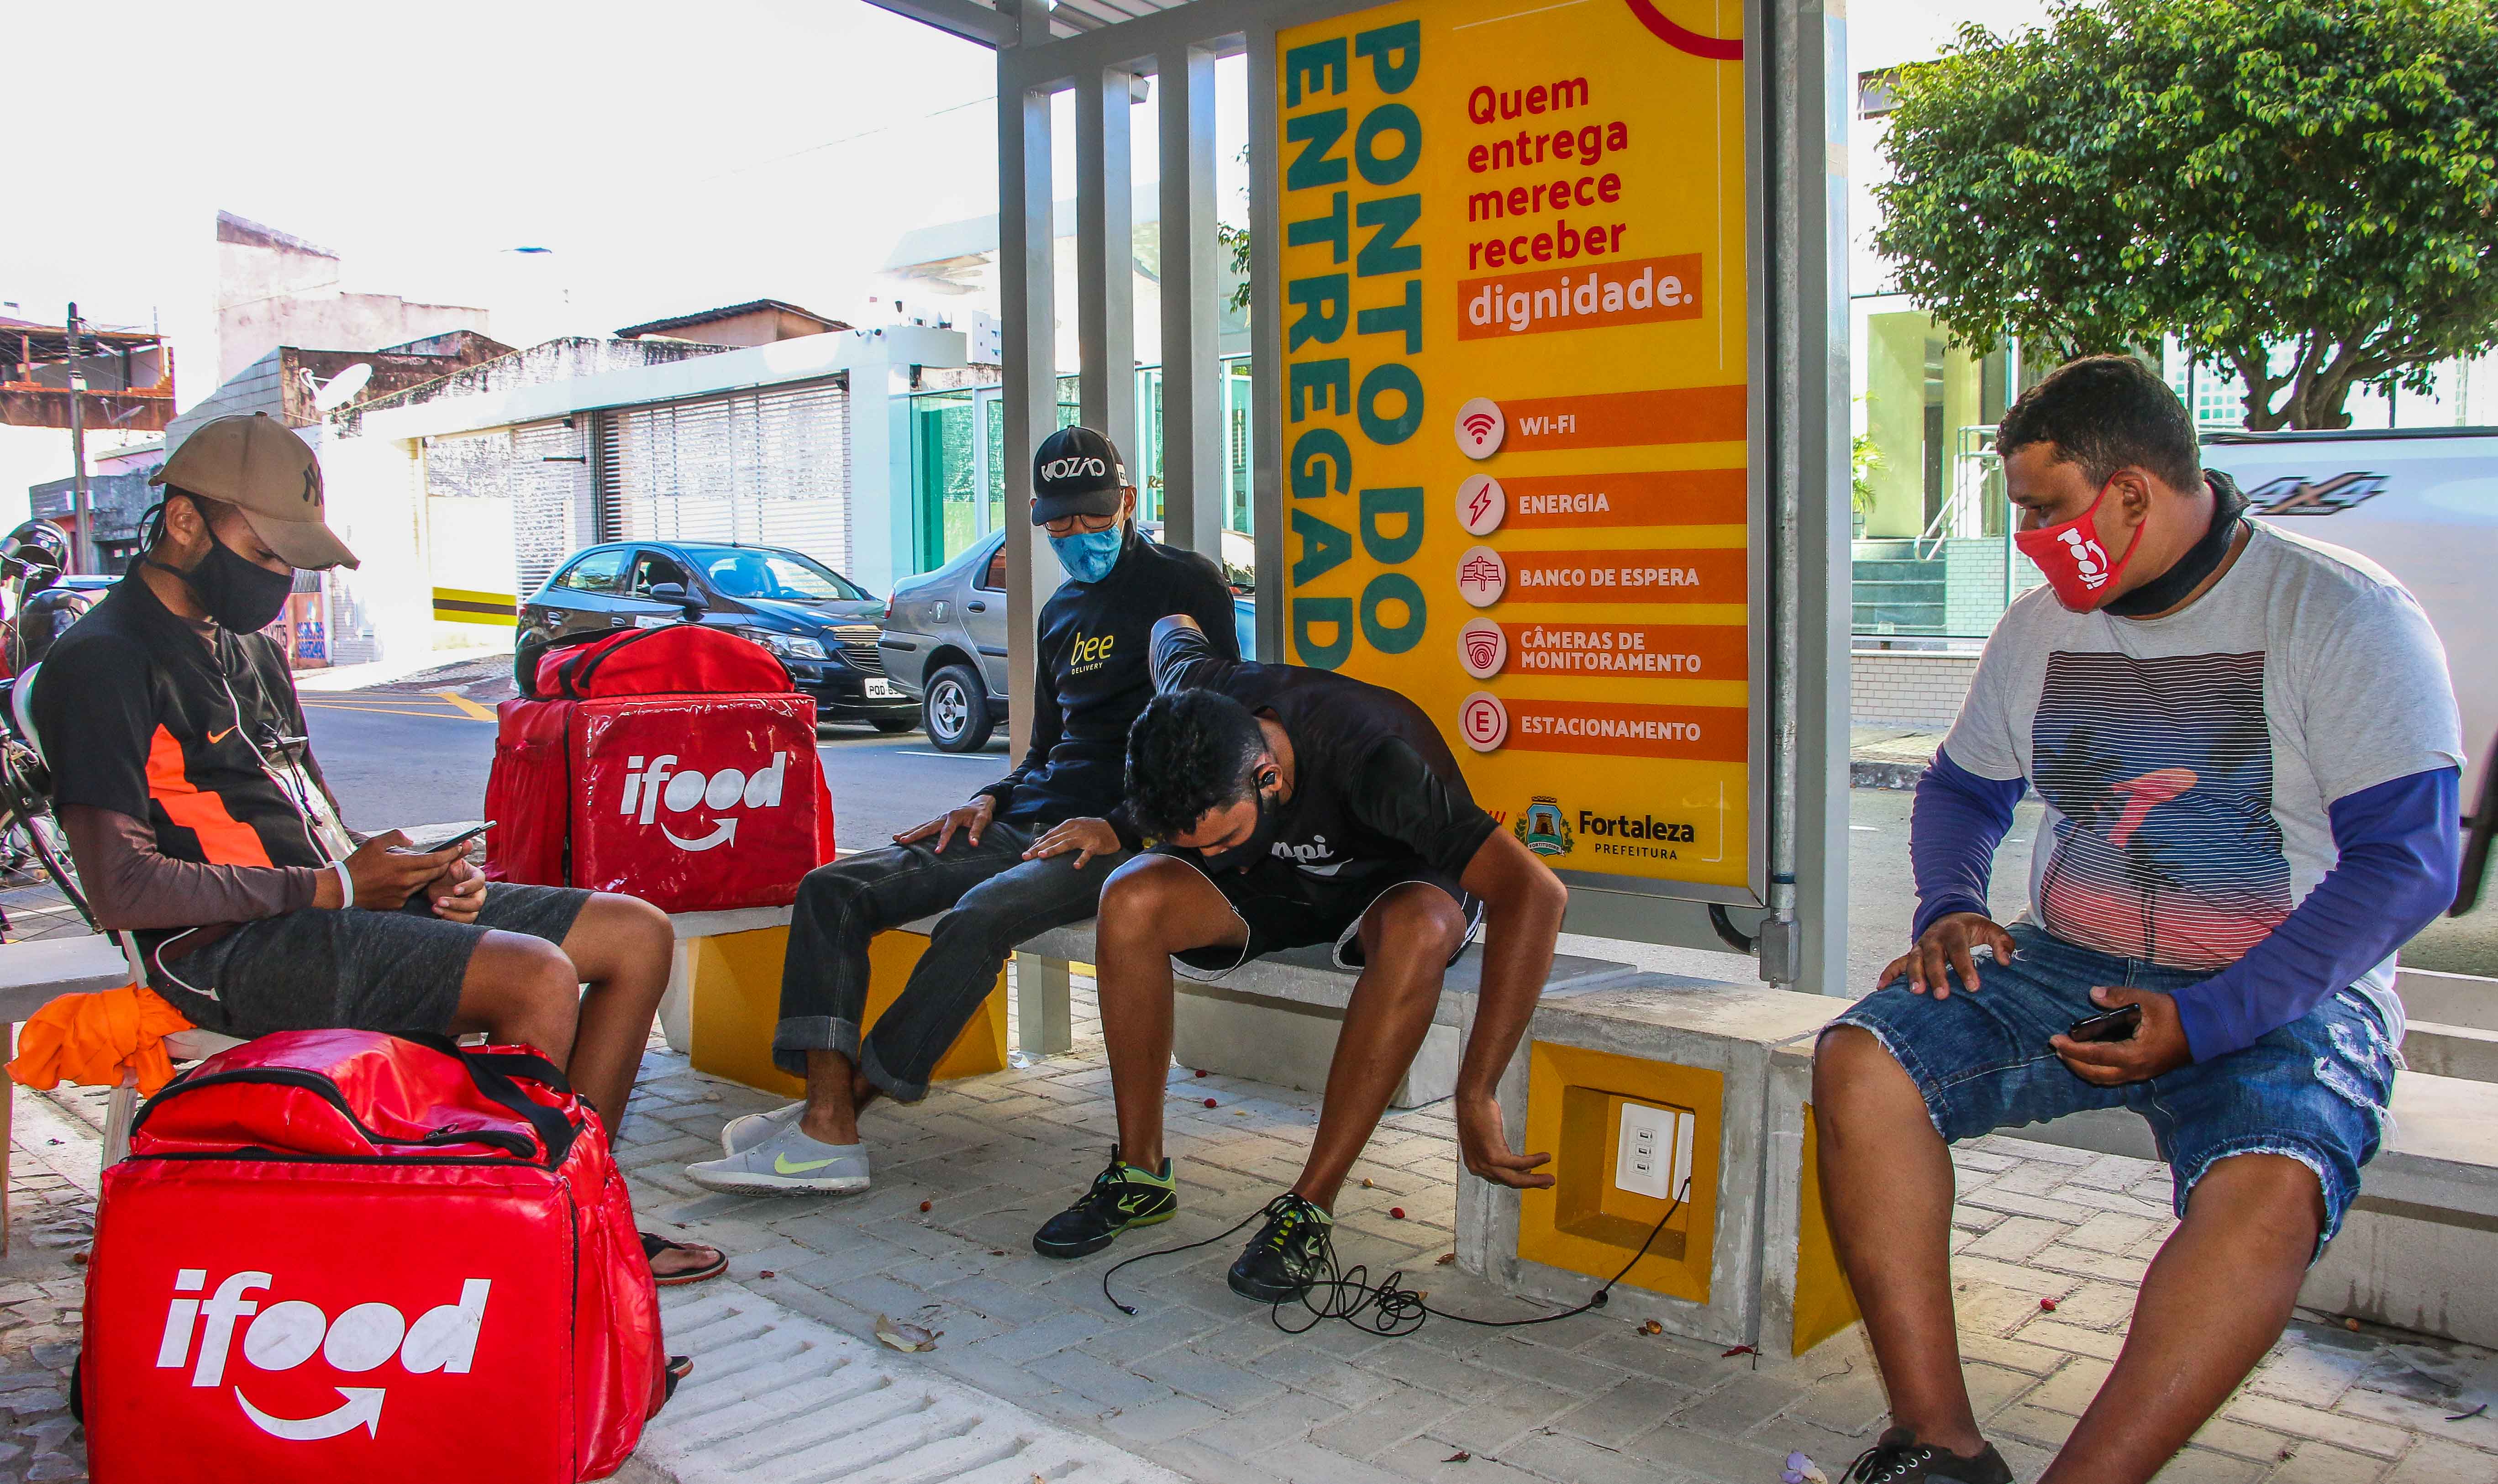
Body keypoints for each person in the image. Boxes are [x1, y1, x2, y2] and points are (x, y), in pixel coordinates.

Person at [1813, 357, 2463, 1484]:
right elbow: (1965, 788)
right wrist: (1953, 902)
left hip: (2286, 987)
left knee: (2265, 1187)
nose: (2028, 536)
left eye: (2045, 507)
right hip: (2070, 965)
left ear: (2132, 493)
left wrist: (2213, 1020)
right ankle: (1941, 1444)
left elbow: (2408, 865)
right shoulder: (2040, 629)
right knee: (1863, 1060)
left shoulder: (2339, 615)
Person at [31, 413, 723, 1287]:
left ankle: (576, 1209)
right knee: (536, 976)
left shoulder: (245, 646)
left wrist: (416, 878)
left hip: (326, 906)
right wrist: (335, 886)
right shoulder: (103, 662)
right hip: (221, 952)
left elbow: (310, 814)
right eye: (269, 553)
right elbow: (123, 888)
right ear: (183, 522)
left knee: (635, 932)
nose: (280, 578)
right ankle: (511, 1254)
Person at [685, 426, 1239, 1194]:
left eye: (1093, 515)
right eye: (1060, 522)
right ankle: (828, 1119)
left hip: (1121, 835)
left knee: (979, 915)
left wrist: (1126, 822)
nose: (1077, 535)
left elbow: (1210, 735)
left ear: (1129, 503)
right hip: (1031, 820)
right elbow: (1043, 749)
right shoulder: (1059, 615)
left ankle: (832, 1117)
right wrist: (988, 797)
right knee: (834, 889)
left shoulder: (1187, 585)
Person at [1028, 612, 1569, 1302]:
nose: (1207, 858)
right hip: (1285, 874)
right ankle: (1140, 1175)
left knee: (1419, 930)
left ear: (1268, 776)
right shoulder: (1199, 690)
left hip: (1392, 882)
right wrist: (1121, 826)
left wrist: (1477, 1088)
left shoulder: (1375, 755)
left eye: (1220, 839)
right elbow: (1170, 624)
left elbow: (1537, 893)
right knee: (1128, 895)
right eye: (1195, 845)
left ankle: (1309, 1206)